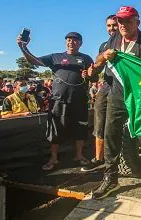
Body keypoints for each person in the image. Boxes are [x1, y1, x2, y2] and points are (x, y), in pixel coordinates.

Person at [90, 6, 141, 198]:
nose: (122, 25)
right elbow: (98, 61)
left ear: (137, 22)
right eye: (120, 21)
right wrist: (104, 57)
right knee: (110, 133)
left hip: (138, 96)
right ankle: (110, 178)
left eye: (127, 21)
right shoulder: (114, 38)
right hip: (116, 93)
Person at [17, 32, 95, 170]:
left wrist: (88, 75)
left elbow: (94, 77)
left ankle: (79, 155)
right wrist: (23, 47)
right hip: (58, 101)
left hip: (79, 101)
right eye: (69, 40)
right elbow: (33, 61)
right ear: (66, 42)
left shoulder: (86, 58)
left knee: (80, 129)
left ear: (81, 43)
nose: (71, 42)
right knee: (55, 129)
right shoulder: (55, 57)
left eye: (75, 40)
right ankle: (53, 159)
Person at [81, 15, 118, 172]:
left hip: (125, 87)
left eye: (114, 25)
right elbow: (97, 72)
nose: (111, 29)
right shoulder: (104, 45)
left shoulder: (131, 41)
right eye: (109, 26)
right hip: (107, 85)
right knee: (99, 119)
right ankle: (98, 158)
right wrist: (90, 73)